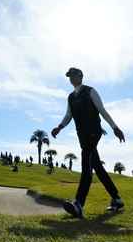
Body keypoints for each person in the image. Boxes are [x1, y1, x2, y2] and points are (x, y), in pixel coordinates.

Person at [51, 67, 126, 217]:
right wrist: (59, 127)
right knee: (96, 166)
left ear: (80, 76)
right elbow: (68, 115)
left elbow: (102, 110)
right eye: (69, 77)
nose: (71, 78)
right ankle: (117, 199)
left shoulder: (90, 91)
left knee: (86, 162)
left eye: (73, 75)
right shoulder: (71, 97)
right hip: (82, 135)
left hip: (94, 132)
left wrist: (114, 127)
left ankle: (78, 203)